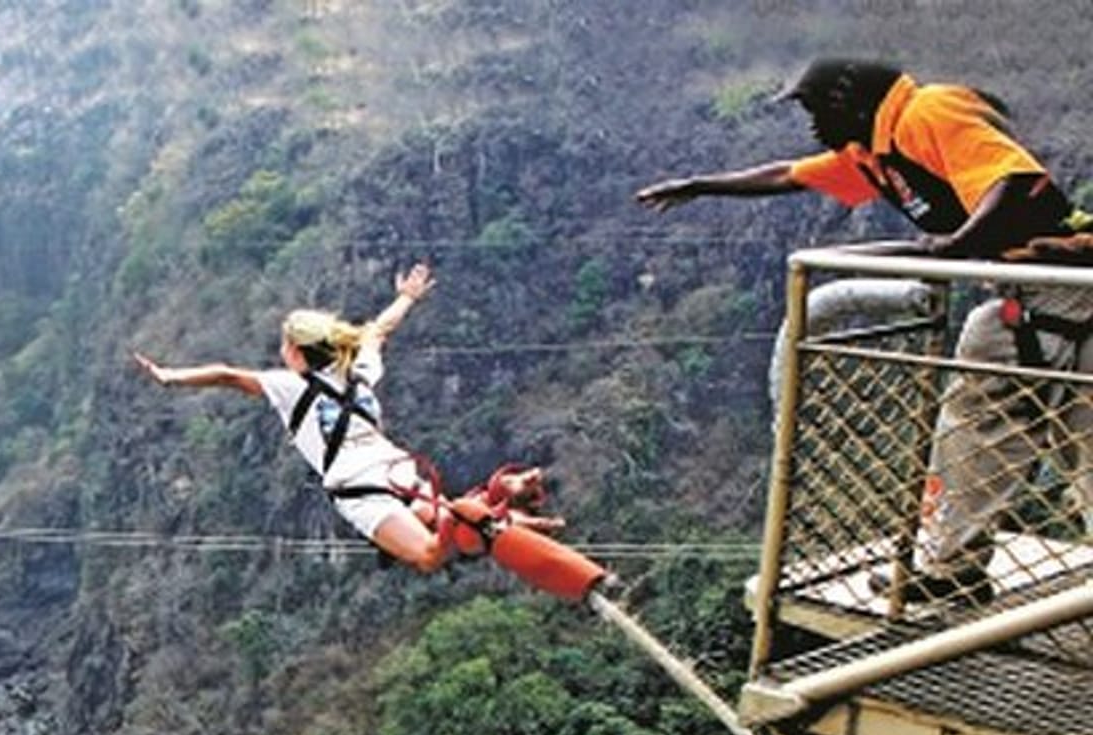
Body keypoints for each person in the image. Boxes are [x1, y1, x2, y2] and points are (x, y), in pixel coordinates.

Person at [637, 58, 1093, 604]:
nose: (812, 126)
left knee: (979, 407)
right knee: (1075, 428)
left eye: (813, 109)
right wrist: (702, 185)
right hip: (1050, 291)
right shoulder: (876, 152)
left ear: (848, 99)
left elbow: (1010, 179)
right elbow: (788, 174)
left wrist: (955, 243)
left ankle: (955, 565)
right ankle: (957, 561)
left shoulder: (930, 111)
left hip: (1057, 284)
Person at [133, 263, 557, 574]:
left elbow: (225, 374)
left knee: (430, 554)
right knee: (449, 532)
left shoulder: (288, 386)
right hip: (400, 471)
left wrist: (170, 377)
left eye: (284, 344)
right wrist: (407, 296)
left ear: (296, 352)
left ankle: (488, 499)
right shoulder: (360, 369)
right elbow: (379, 329)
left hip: (360, 487)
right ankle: (493, 503)